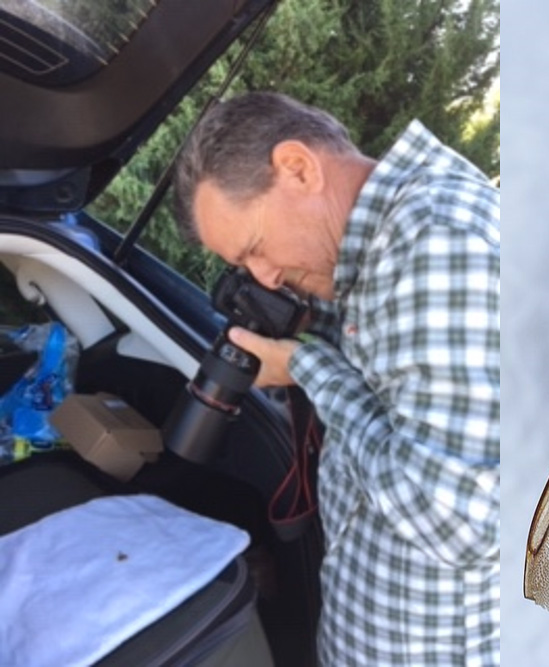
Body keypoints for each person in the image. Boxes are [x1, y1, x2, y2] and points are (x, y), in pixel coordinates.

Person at [172, 92, 499, 666]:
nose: (267, 276)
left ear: (298, 168)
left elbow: (458, 521)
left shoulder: (437, 242)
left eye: (255, 250)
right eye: (244, 269)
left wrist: (303, 364)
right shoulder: (374, 256)